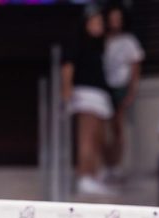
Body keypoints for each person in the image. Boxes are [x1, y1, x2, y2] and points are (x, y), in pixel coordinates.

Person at [62, 7, 114, 196]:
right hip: (85, 93)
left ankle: (94, 174)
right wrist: (66, 93)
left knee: (99, 138)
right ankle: (84, 176)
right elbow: (67, 68)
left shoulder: (100, 45)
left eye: (101, 23)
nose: (99, 26)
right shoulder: (77, 43)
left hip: (100, 95)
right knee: (87, 138)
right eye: (95, 22)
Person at [102, 6, 144, 178]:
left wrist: (132, 91)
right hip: (103, 87)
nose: (115, 22)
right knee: (103, 129)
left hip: (121, 86)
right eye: (112, 18)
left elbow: (136, 67)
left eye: (118, 19)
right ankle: (105, 164)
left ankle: (116, 165)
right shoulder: (102, 40)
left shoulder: (129, 41)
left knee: (118, 128)